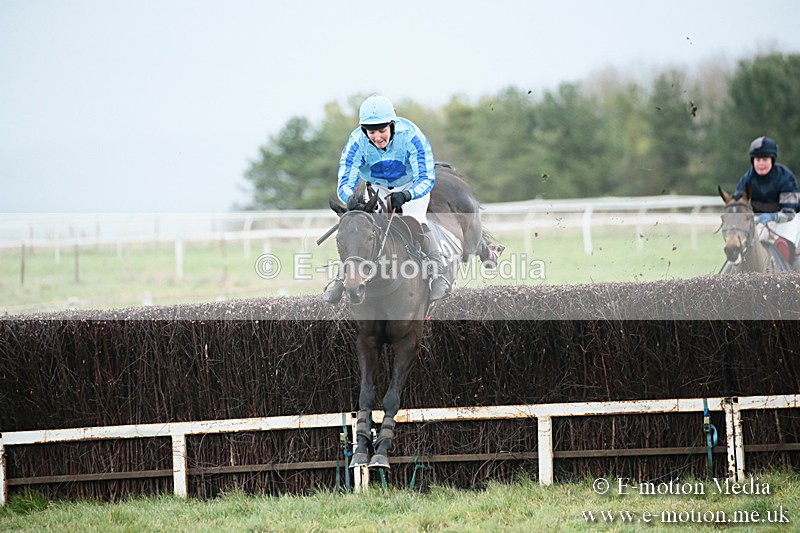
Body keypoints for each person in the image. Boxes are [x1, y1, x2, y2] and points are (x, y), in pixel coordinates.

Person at [323, 95, 450, 303]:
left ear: (392, 125)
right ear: (365, 131)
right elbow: (345, 182)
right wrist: (354, 203)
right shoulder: (356, 142)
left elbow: (426, 178)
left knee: (416, 221)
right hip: (377, 188)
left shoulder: (411, 137)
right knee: (357, 228)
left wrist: (407, 195)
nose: (377, 137)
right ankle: (341, 278)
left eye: (382, 130)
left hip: (411, 186)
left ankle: (438, 275)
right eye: (372, 132)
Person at [734, 136, 800, 267]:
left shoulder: (786, 177)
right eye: (758, 159)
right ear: (753, 161)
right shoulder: (747, 179)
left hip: (788, 220)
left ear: (772, 160)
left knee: (786, 248)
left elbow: (790, 212)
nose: (761, 163)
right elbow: (738, 205)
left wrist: (773, 216)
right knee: (746, 246)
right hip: (760, 220)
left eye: (765, 159)